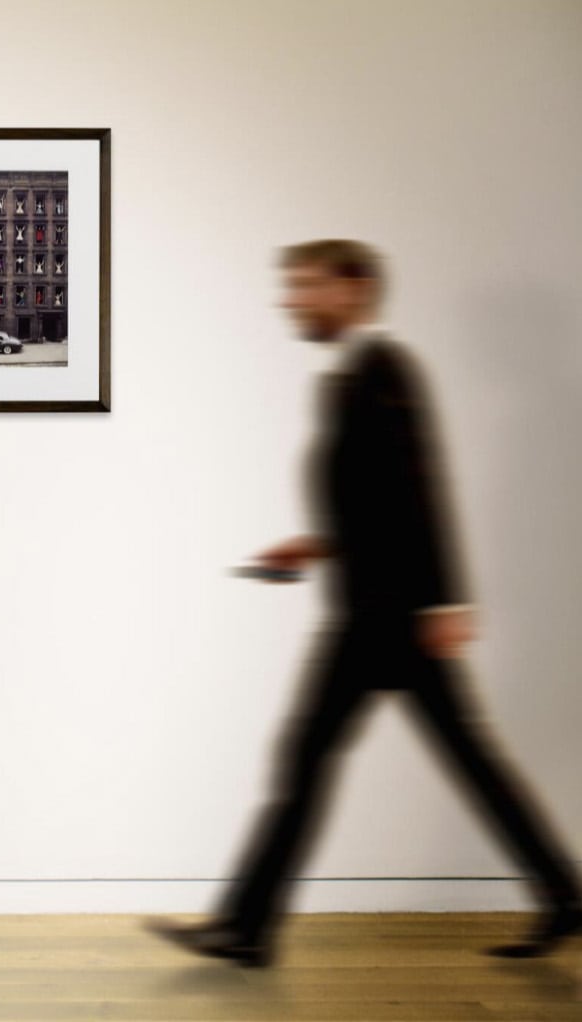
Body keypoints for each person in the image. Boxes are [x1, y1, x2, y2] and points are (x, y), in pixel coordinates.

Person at [147, 239, 582, 968]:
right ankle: (563, 896)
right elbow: (374, 506)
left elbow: (421, 490)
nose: (291, 300)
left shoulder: (384, 370)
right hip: (375, 611)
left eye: (305, 286)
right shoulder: (347, 378)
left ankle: (246, 927)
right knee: (438, 759)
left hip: (393, 619)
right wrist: (315, 547)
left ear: (353, 290)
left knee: (314, 759)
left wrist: (446, 602)